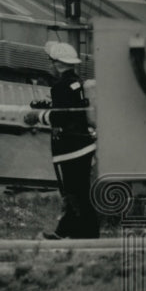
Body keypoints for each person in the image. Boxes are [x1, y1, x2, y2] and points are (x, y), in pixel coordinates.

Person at [24, 42, 100, 239]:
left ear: (58, 64)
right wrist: (49, 105)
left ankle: (87, 234)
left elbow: (61, 118)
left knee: (74, 193)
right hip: (83, 145)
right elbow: (70, 109)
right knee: (78, 190)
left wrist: (37, 116)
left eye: (51, 63)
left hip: (70, 147)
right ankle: (68, 230)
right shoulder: (77, 82)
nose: (50, 67)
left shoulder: (60, 86)